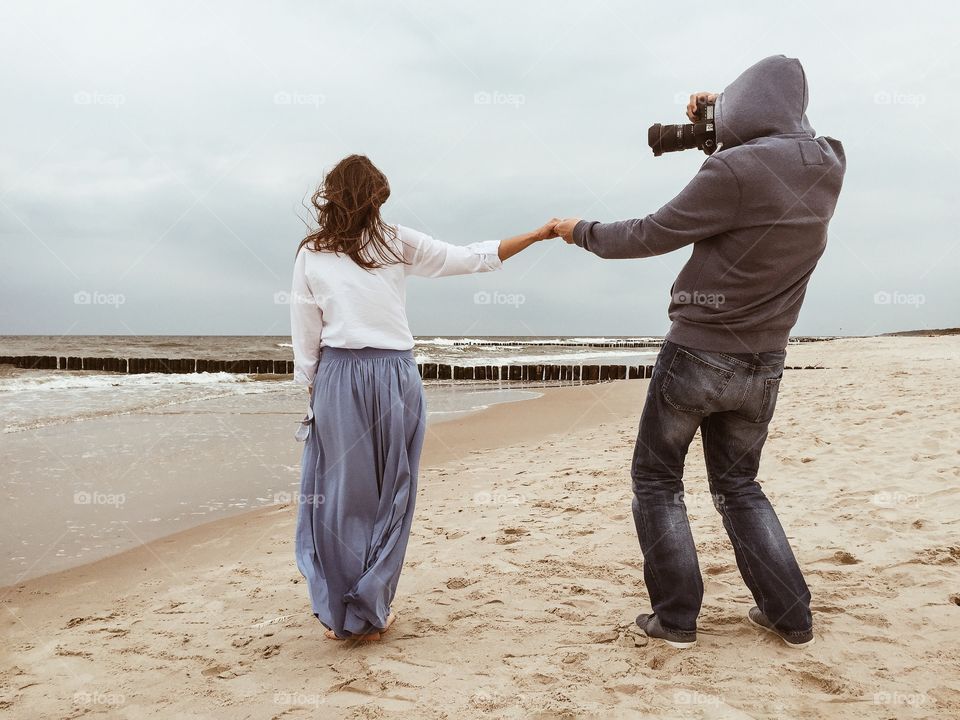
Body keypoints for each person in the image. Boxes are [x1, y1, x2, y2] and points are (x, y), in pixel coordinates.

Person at [553, 55, 846, 649]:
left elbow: (646, 234)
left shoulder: (732, 173)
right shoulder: (829, 162)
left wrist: (577, 229)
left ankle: (676, 619)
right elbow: (774, 154)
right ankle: (791, 614)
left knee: (657, 481)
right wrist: (719, 118)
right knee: (739, 487)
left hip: (697, 354)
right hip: (765, 361)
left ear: (745, 109)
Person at [290, 154, 557, 642]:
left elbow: (304, 337)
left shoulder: (321, 250)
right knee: (393, 492)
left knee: (341, 497)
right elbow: (473, 257)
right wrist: (538, 234)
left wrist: (313, 397)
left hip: (339, 377)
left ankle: (348, 612)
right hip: (392, 375)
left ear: (331, 196)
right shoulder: (392, 241)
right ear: (375, 198)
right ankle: (366, 607)